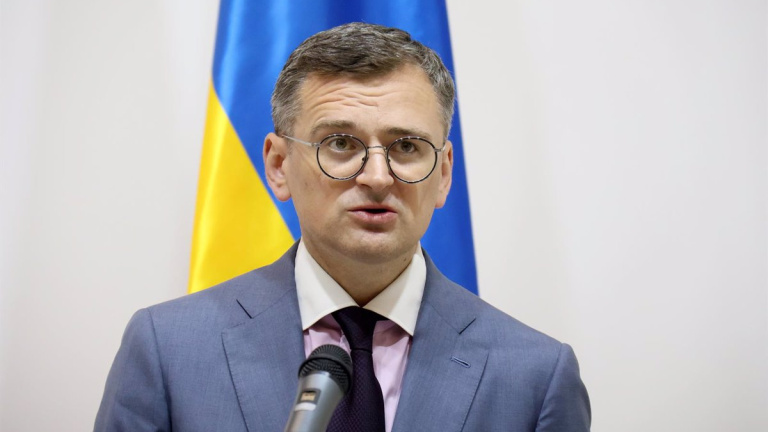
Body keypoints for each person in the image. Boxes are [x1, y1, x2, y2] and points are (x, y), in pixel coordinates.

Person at [95, 22, 590, 432]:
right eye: (340, 143)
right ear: (278, 165)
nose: (377, 177)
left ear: (443, 175)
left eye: (407, 147)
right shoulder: (168, 350)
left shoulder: (535, 377)